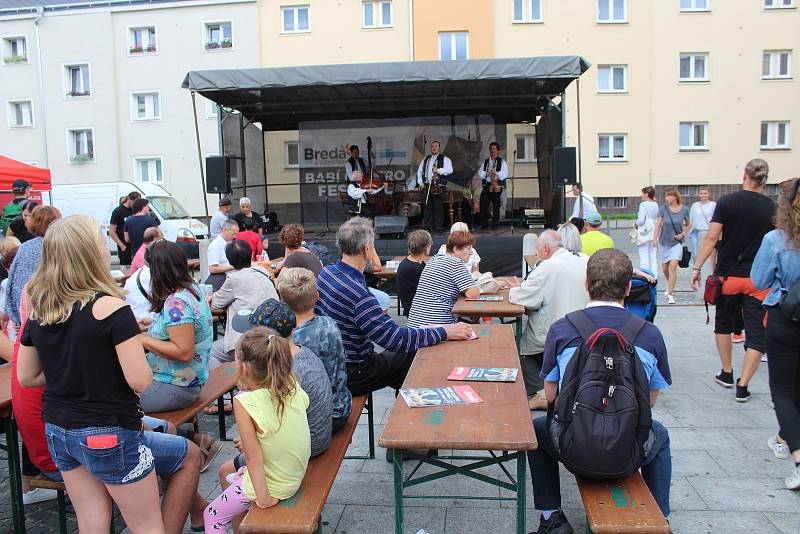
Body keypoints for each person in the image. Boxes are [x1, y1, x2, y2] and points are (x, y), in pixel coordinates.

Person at [17, 215, 172, 532]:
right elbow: (140, 380)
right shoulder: (113, 309)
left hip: (60, 430)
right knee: (147, 526)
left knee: (90, 522)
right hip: (108, 430)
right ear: (90, 252)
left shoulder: (42, 309)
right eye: (102, 242)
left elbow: (28, 377)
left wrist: (76, 371)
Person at [528, 249, 672, 533]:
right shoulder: (649, 333)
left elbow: (551, 394)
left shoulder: (562, 329)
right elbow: (651, 400)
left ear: (586, 283)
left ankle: (551, 517)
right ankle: (660, 520)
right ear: (629, 287)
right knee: (662, 436)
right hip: (628, 450)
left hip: (572, 448)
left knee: (537, 429)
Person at [315, 217, 473, 397]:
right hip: (353, 373)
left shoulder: (326, 273)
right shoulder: (357, 293)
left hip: (331, 363)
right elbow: (395, 339)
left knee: (411, 349)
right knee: (417, 350)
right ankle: (418, 407)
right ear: (367, 249)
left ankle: (411, 401)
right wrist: (445, 332)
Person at [204, 327, 311, 533]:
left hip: (275, 486)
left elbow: (253, 458)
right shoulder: (290, 384)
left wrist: (264, 499)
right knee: (232, 477)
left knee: (212, 516)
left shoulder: (245, 402)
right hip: (293, 475)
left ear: (244, 368)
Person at [691, 159, 775, 401]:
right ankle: (743, 385)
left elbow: (711, 238)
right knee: (756, 332)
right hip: (758, 280)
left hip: (727, 275)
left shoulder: (727, 202)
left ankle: (727, 372)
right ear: (764, 180)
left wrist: (697, 267)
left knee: (724, 324)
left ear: (744, 175)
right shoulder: (772, 208)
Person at [231, 299, 332, 457]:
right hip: (315, 438)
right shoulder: (300, 353)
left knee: (225, 471)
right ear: (293, 329)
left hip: (303, 448)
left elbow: (280, 423)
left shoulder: (285, 370)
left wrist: (251, 440)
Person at [751, 177, 800, 490]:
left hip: (786, 316)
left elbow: (759, 279)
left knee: (782, 389)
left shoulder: (777, 240)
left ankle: (797, 456)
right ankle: (785, 437)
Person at [507, 230, 589, 411]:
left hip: (555, 334)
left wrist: (515, 289)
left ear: (545, 249)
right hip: (586, 332)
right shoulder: (584, 260)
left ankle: (540, 393)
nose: (536, 254)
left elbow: (524, 298)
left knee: (518, 345)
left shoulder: (547, 267)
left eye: (537, 249)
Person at [140, 240, 213, 412]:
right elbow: (189, 324)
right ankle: (188, 436)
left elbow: (184, 352)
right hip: (188, 382)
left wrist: (143, 340)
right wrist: (153, 324)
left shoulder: (176, 302)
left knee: (112, 404)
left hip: (174, 386)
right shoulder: (192, 288)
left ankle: (182, 437)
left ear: (157, 270)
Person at [277, 267, 352, 431]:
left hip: (315, 418)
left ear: (282, 301)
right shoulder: (330, 324)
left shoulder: (290, 340)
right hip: (341, 407)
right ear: (317, 297)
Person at [210, 240, 278, 370]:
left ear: (229, 261)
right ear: (251, 255)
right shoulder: (263, 271)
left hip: (248, 342)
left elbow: (216, 303)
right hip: (272, 338)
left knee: (211, 351)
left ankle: (227, 384)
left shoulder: (234, 279)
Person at [5, 206, 61, 339]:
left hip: (27, 322)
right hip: (57, 318)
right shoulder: (61, 246)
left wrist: (16, 317)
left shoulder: (25, 248)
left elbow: (13, 284)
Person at [408, 231, 480, 328]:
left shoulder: (434, 259)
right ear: (455, 249)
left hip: (415, 325)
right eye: (468, 248)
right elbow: (473, 294)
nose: (471, 252)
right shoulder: (455, 263)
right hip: (435, 327)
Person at [653, 188, 690, 305]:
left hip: (676, 243)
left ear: (675, 197)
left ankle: (670, 294)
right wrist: (655, 239)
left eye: (669, 196)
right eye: (666, 196)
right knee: (665, 268)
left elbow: (689, 225)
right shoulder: (663, 209)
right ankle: (670, 285)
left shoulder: (684, 210)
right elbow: (658, 225)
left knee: (673, 265)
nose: (666, 198)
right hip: (664, 242)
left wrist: (683, 234)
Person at [416, 141, 453, 231]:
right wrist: (420, 182)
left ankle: (438, 226)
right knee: (427, 206)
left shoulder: (445, 159)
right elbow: (419, 171)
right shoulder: (426, 159)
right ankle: (428, 226)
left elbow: (450, 170)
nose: (434, 148)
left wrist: (439, 170)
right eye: (432, 146)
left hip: (439, 185)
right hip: (428, 185)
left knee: (438, 206)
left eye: (436, 146)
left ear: (439, 148)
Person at [397, 230, 432, 316]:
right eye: (430, 243)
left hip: (418, 309)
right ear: (426, 247)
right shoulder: (414, 268)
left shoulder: (413, 262)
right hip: (418, 313)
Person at [478, 141, 509, 229]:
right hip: (487, 186)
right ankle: (484, 224)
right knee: (483, 204)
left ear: (498, 151)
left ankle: (495, 225)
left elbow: (505, 174)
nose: (492, 150)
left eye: (494, 149)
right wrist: (486, 174)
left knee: (496, 206)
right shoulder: (486, 162)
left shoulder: (502, 161)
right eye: (491, 149)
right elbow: (480, 173)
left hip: (496, 186)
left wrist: (497, 173)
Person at [689, 187, 717, 278]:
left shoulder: (713, 205)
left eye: (705, 193)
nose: (703, 195)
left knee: (708, 255)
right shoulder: (695, 205)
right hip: (696, 233)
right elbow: (691, 220)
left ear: (709, 194)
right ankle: (698, 275)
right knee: (696, 256)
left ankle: (710, 275)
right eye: (701, 193)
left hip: (708, 232)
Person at [109, 191, 141, 267]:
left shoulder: (135, 210)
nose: (136, 205)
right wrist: (122, 246)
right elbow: (111, 231)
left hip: (135, 247)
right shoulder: (118, 211)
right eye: (135, 202)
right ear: (129, 199)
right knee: (126, 272)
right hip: (125, 248)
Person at [124, 197, 159, 262]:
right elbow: (158, 237)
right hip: (149, 254)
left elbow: (126, 239)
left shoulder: (128, 220)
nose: (149, 208)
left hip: (135, 254)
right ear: (143, 207)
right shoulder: (150, 220)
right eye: (147, 206)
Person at [206, 220, 238, 289]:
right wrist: (234, 267)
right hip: (218, 283)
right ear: (225, 230)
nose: (235, 236)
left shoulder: (227, 244)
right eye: (233, 234)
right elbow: (213, 268)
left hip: (226, 280)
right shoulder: (216, 245)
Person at [636, 186, 659, 274]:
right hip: (654, 232)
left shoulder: (643, 205)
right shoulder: (655, 204)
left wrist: (635, 223)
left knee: (644, 256)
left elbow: (641, 220)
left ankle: (645, 277)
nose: (641, 195)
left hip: (644, 232)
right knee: (653, 256)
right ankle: (654, 277)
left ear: (646, 194)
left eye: (642, 193)